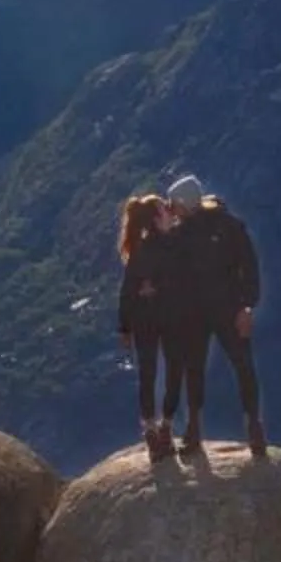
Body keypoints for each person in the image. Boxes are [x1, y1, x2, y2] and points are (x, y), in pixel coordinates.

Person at [158, 173, 264, 458]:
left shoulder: (227, 227)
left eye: (173, 204)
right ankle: (195, 429)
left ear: (183, 203)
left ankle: (253, 425)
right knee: (197, 368)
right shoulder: (182, 233)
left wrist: (246, 306)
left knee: (241, 365)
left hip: (227, 308)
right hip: (196, 311)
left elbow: (249, 266)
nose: (171, 209)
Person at [114, 191, 177, 456]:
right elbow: (178, 278)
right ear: (155, 218)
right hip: (169, 317)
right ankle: (165, 427)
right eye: (164, 210)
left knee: (147, 374)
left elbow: (127, 292)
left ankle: (151, 428)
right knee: (175, 370)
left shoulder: (139, 251)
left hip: (143, 320)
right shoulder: (169, 245)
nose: (170, 213)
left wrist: (126, 327)